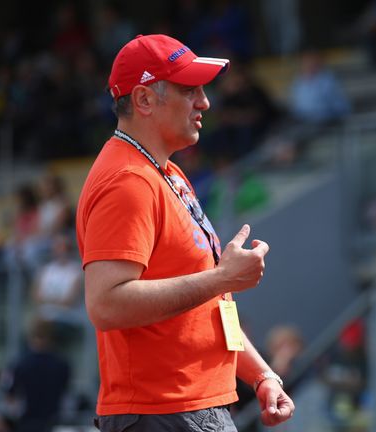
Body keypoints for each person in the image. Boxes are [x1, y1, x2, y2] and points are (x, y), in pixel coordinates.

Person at [75, 34, 294, 431]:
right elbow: (106, 303)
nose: (205, 102)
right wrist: (222, 277)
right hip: (163, 412)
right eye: (189, 90)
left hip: (186, 409)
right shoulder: (128, 179)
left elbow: (208, 304)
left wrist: (261, 375)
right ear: (143, 100)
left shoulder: (165, 172)